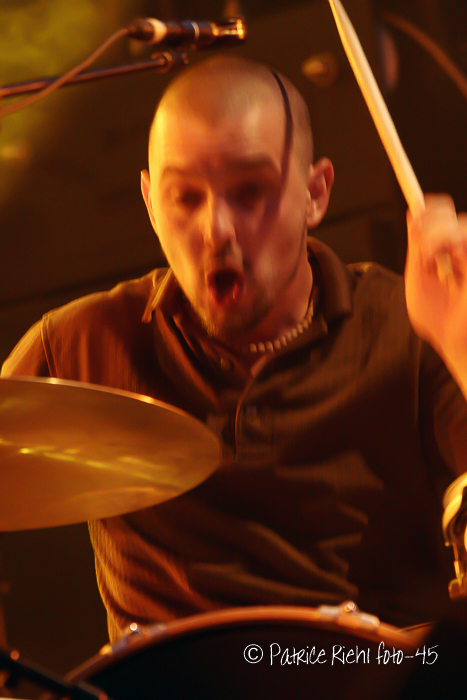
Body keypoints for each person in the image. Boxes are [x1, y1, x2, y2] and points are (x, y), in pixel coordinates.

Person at [2, 56, 467, 643]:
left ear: (315, 193)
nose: (215, 229)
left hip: (370, 673)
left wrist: (461, 343)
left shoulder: (410, 327)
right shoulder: (84, 343)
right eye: (184, 197)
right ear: (150, 204)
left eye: (249, 192)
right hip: (163, 682)